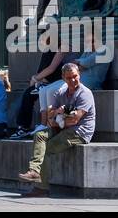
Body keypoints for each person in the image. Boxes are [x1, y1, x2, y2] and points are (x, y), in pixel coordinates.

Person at [20, 62, 96, 197]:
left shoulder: (85, 94)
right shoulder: (61, 92)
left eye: (75, 76)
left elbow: (75, 119)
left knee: (47, 148)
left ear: (79, 75)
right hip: (62, 126)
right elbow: (50, 115)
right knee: (40, 135)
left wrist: (57, 117)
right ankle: (34, 170)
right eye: (69, 78)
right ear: (63, 78)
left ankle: (41, 188)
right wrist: (56, 117)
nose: (73, 80)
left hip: (79, 132)